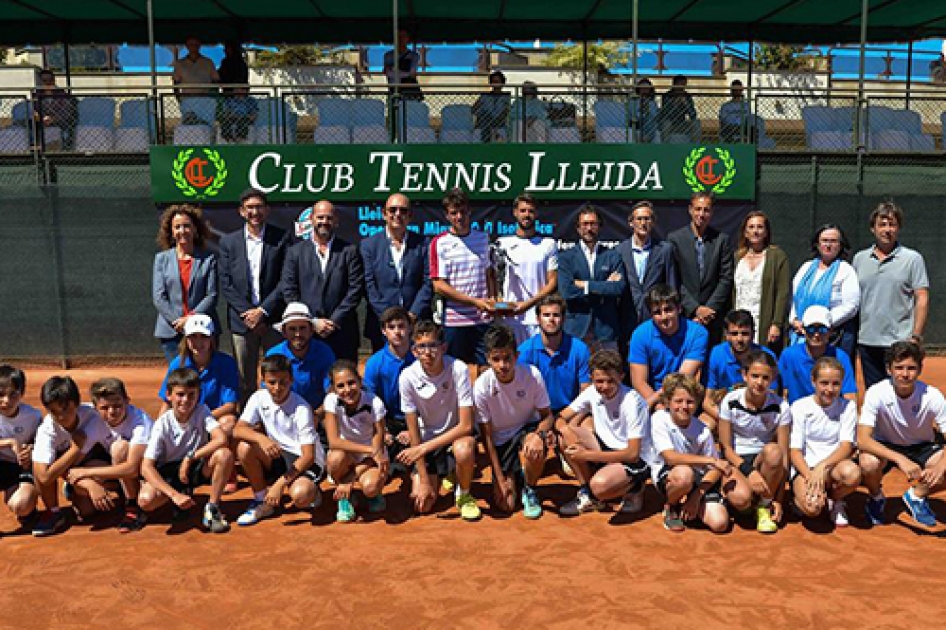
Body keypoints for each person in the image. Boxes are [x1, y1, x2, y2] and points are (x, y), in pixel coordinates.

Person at [396, 320, 479, 520]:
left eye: (432, 345)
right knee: (422, 505)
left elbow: (466, 425)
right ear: (414, 351)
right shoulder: (407, 377)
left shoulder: (458, 368)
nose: (428, 352)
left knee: (464, 449)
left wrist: (422, 449)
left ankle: (464, 493)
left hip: (455, 437)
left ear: (443, 347)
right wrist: (423, 479)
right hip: (427, 439)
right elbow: (413, 429)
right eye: (421, 346)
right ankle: (446, 472)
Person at [857, 342, 946, 528]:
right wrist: (900, 459)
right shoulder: (876, 392)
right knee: (868, 463)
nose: (905, 374)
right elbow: (863, 439)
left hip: (922, 446)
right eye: (899, 368)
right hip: (886, 444)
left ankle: (916, 496)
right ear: (889, 369)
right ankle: (876, 498)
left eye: (911, 368)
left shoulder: (933, 396)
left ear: (920, 370)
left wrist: (940, 466)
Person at [556, 350, 652, 517]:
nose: (605, 386)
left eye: (611, 381)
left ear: (621, 377)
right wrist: (565, 430)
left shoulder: (632, 402)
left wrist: (586, 455)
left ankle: (635, 486)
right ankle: (587, 492)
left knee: (600, 486)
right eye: (599, 381)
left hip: (636, 459)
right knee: (564, 435)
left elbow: (633, 453)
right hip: (605, 447)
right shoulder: (592, 391)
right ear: (591, 378)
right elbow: (560, 417)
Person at [233, 355, 325, 527]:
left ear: (291, 380)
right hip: (279, 454)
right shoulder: (258, 398)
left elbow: (308, 456)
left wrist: (279, 485)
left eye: (283, 382)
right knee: (244, 447)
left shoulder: (302, 408)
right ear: (263, 381)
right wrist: (261, 438)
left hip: (305, 461)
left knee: (301, 496)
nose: (277, 388)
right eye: (272, 382)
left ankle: (313, 490)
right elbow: (238, 429)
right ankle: (263, 501)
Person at [140, 368, 234, 534]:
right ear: (169, 395)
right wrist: (173, 495)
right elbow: (146, 467)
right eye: (180, 394)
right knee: (146, 501)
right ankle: (178, 498)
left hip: (194, 467)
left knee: (224, 454)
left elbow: (221, 439)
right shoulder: (162, 424)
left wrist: (190, 458)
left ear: (199, 395)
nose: (186, 400)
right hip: (168, 471)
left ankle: (212, 508)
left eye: (192, 394)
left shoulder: (202, 410)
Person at [218, 188, 290, 405]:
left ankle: (276, 419)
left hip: (273, 320)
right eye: (249, 208)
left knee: (276, 374)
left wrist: (262, 311)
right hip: (242, 323)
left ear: (267, 210)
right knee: (244, 379)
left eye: (259, 207)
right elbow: (226, 283)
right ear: (241, 211)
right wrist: (247, 313)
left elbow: (285, 280)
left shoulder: (282, 238)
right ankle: (248, 422)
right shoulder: (228, 242)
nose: (254, 212)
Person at [475, 325, 554, 519]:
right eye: (496, 359)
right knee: (506, 505)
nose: (503, 365)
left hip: (524, 431)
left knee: (536, 448)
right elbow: (486, 437)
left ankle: (530, 488)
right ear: (488, 359)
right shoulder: (481, 386)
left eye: (507, 358)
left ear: (516, 356)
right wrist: (500, 478)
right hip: (499, 441)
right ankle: (514, 475)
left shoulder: (532, 374)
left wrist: (538, 435)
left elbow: (547, 416)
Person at [853, 201, 929, 389]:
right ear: (873, 228)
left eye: (892, 224)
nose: (887, 229)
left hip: (900, 340)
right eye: (882, 224)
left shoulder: (912, 259)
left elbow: (922, 297)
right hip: (867, 340)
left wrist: (916, 336)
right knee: (875, 394)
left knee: (900, 392)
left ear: (898, 228)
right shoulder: (859, 259)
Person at [67, 378, 154, 533]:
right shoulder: (94, 423)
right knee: (85, 509)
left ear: (127, 401)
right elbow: (73, 464)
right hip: (118, 470)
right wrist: (86, 484)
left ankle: (132, 506)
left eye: (117, 405)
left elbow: (132, 469)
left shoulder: (140, 422)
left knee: (119, 448)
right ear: (95, 408)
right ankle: (120, 489)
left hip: (149, 471)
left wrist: (86, 474)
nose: (112, 412)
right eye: (104, 407)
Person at [282, 199, 364, 362]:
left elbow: (355, 289)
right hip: (307, 333)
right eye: (320, 217)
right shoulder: (295, 252)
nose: (324, 222)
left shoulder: (350, 251)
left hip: (343, 331)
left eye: (329, 218)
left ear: (336, 221)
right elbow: (289, 290)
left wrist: (334, 321)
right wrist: (312, 322)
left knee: (344, 381)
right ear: (311, 219)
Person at [717, 351, 790, 534]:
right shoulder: (730, 401)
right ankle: (746, 503)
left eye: (765, 377)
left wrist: (779, 499)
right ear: (744, 375)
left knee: (774, 452)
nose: (759, 382)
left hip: (764, 460)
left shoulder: (781, 406)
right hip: (737, 460)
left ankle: (763, 507)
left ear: (772, 378)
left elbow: (784, 455)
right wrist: (749, 473)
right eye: (754, 376)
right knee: (741, 499)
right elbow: (725, 448)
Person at [31, 376, 113, 537]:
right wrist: (75, 448)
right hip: (72, 464)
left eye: (66, 409)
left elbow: (76, 464)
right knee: (39, 467)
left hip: (95, 462)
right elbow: (43, 476)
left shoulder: (93, 417)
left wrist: (85, 479)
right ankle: (53, 512)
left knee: (88, 511)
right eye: (53, 411)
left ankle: (118, 492)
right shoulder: (46, 429)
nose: (61, 417)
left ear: (77, 403)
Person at [649, 373, 731, 533]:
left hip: (697, 480)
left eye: (690, 402)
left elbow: (715, 471)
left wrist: (696, 496)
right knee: (684, 475)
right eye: (678, 401)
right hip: (671, 475)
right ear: (667, 402)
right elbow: (670, 457)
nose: (684, 406)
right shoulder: (659, 419)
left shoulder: (703, 430)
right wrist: (711, 460)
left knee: (720, 523)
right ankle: (671, 506)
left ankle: (691, 505)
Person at [790, 357, 861, 528]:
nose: (829, 389)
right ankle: (797, 498)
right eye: (824, 383)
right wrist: (810, 476)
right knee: (813, 509)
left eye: (835, 384)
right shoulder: (799, 407)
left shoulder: (848, 407)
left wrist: (823, 467)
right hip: (805, 470)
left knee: (853, 474)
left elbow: (846, 446)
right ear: (813, 381)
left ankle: (836, 500)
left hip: (832, 467)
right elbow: (795, 451)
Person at [429, 187, 496, 367]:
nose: (459, 217)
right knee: (455, 371)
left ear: (469, 211)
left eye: (463, 211)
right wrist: (474, 302)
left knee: (487, 369)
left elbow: (490, 273)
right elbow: (439, 285)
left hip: (483, 319)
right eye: (454, 213)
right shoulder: (439, 243)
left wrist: (492, 301)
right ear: (447, 216)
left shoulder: (483, 238)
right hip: (454, 321)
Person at [360, 192, 431, 352]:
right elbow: (369, 285)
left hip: (417, 325)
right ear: (384, 214)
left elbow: (428, 282)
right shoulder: (368, 246)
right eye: (392, 210)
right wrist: (389, 318)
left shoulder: (423, 243)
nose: (397, 214)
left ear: (410, 216)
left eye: (403, 210)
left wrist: (413, 314)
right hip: (381, 326)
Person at [324, 360, 389, 523]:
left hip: (371, 457)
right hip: (349, 454)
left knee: (371, 487)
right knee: (334, 458)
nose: (347, 390)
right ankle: (345, 499)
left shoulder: (375, 402)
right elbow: (334, 442)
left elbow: (378, 443)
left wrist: (350, 478)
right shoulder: (331, 401)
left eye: (351, 383)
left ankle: (372, 495)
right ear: (333, 388)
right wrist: (369, 450)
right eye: (340, 386)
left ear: (360, 382)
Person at [152, 204, 218, 363]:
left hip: (202, 329)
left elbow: (212, 295)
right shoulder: (161, 259)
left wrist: (190, 320)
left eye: (187, 226)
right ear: (172, 232)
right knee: (179, 378)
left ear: (195, 229)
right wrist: (178, 322)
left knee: (203, 375)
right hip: (171, 331)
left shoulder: (209, 259)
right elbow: (158, 297)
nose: (182, 231)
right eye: (177, 227)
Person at [667, 191, 735, 346]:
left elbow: (726, 278)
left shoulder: (721, 240)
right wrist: (695, 309)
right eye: (698, 209)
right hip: (685, 316)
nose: (701, 214)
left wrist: (708, 310)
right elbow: (674, 279)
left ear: (712, 212)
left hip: (713, 318)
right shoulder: (675, 239)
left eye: (706, 210)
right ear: (690, 210)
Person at [628, 285, 708, 410]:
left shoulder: (698, 333)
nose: (664, 317)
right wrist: (658, 407)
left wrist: (657, 402)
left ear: (679, 309)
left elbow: (682, 378)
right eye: (657, 312)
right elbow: (639, 382)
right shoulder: (640, 334)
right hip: (651, 397)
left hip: (684, 396)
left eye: (668, 310)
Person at [557, 204, 624, 353]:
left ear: (599, 226)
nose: (589, 228)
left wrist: (585, 285)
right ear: (578, 228)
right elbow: (566, 291)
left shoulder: (612, 256)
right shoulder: (566, 258)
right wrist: (603, 286)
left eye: (593, 224)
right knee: (577, 376)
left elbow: (618, 288)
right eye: (585, 224)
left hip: (606, 331)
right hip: (576, 331)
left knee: (610, 375)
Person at [494, 192, 559, 344]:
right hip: (509, 318)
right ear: (515, 213)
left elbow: (552, 282)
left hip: (538, 319)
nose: (527, 215)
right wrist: (499, 304)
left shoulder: (548, 244)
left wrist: (527, 304)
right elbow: (494, 280)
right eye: (523, 211)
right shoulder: (502, 244)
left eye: (531, 211)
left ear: (536, 214)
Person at [788, 223, 860, 359]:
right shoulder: (805, 267)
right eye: (825, 240)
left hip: (832, 337)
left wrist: (820, 323)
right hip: (801, 334)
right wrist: (795, 320)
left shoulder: (846, 270)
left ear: (840, 245)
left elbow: (851, 307)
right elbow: (795, 299)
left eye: (833, 241)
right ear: (817, 244)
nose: (828, 245)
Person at [158, 315, 239, 433]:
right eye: (193, 337)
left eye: (204, 337)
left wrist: (199, 419)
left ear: (211, 338)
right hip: (184, 420)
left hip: (213, 418)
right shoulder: (177, 364)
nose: (198, 342)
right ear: (186, 339)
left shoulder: (227, 363)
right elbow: (167, 402)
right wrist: (159, 429)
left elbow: (230, 405)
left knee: (228, 422)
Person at [703, 310, 779, 428]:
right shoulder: (716, 354)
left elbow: (772, 396)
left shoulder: (767, 356)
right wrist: (727, 419)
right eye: (734, 333)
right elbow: (707, 401)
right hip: (724, 411)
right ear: (726, 335)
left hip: (757, 412)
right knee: (704, 424)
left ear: (753, 334)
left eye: (744, 333)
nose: (739, 339)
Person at [616, 200, 677, 345]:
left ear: (653, 222)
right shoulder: (619, 251)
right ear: (631, 222)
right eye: (639, 219)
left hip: (656, 319)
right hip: (627, 319)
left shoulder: (664, 250)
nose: (643, 223)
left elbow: (671, 285)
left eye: (647, 219)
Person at [517, 295, 591, 416]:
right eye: (546, 315)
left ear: (563, 319)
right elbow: (521, 394)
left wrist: (567, 419)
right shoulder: (525, 352)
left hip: (572, 411)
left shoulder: (579, 349)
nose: (551, 319)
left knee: (587, 429)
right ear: (538, 319)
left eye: (556, 315)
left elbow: (586, 392)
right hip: (537, 414)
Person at [363, 306, 415, 472]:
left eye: (401, 326)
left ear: (410, 328)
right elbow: (368, 401)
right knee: (377, 467)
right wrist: (382, 431)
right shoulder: (374, 363)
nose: (397, 332)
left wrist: (414, 428)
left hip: (418, 420)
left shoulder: (421, 357)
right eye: (391, 327)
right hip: (387, 422)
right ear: (383, 331)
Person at [733, 210, 791, 352]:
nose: (755, 231)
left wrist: (776, 323)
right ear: (745, 232)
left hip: (763, 321)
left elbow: (783, 292)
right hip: (740, 321)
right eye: (751, 227)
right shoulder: (737, 257)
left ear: (766, 232)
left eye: (760, 227)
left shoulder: (777, 256)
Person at [266, 302, 336, 412]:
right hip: (283, 413)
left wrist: (316, 415)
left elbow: (332, 391)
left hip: (319, 414)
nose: (298, 334)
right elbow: (267, 393)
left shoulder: (324, 352)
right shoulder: (273, 354)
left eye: (302, 328)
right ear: (284, 332)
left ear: (311, 330)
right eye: (292, 329)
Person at [779, 305, 856, 404]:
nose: (816, 334)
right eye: (811, 329)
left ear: (830, 331)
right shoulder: (789, 356)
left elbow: (849, 395)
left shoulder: (841, 357)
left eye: (822, 329)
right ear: (803, 330)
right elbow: (780, 392)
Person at [0, 365, 42, 526]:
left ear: (22, 393)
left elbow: (42, 442)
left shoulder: (33, 415)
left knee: (21, 505)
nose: (7, 401)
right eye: (1, 395)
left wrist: (31, 449)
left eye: (13, 394)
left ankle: (28, 509)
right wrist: (10, 442)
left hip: (20, 468)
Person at [32, 69, 77, 150]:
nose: (48, 83)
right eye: (44, 80)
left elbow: (67, 112)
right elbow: (34, 110)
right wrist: (39, 117)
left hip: (60, 123)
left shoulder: (62, 95)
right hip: (41, 123)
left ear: (54, 80)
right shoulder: (36, 95)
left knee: (53, 130)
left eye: (50, 80)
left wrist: (53, 119)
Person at [383, 29, 422, 100]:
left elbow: (412, 72)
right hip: (394, 89)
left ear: (408, 39)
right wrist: (406, 73)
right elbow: (388, 73)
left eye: (403, 36)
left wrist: (394, 70)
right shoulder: (388, 55)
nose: (401, 39)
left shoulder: (414, 55)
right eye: (399, 37)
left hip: (409, 90)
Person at [473, 70, 510, 142]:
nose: (495, 84)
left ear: (502, 83)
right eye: (494, 81)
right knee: (484, 117)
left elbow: (506, 111)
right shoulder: (484, 96)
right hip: (485, 122)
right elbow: (474, 109)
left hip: (499, 122)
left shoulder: (506, 97)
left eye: (497, 81)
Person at [660, 75, 698, 140]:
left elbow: (693, 115)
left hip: (682, 122)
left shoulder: (687, 96)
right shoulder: (667, 95)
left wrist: (686, 104)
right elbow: (666, 113)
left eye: (684, 84)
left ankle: (696, 147)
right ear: (674, 84)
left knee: (696, 123)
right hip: (670, 122)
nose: (682, 87)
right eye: (680, 84)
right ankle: (665, 147)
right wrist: (675, 103)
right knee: (666, 124)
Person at [631, 78, 660, 143]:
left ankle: (646, 138)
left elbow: (655, 115)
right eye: (642, 88)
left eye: (646, 89)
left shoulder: (652, 102)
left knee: (651, 121)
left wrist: (647, 110)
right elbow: (633, 115)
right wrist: (642, 112)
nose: (644, 91)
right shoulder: (634, 101)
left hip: (649, 125)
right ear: (639, 89)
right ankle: (645, 139)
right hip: (637, 124)